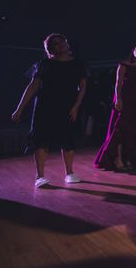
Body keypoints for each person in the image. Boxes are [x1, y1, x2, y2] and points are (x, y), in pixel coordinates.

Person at [12, 34, 88, 187]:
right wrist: (19, 108)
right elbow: (33, 86)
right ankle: (39, 176)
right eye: (55, 43)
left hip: (68, 106)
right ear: (50, 49)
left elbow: (82, 86)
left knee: (68, 139)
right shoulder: (44, 64)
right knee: (41, 139)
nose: (60, 44)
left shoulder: (78, 64)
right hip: (45, 106)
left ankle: (69, 173)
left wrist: (76, 106)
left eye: (62, 41)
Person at [94, 44, 136, 170]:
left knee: (131, 130)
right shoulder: (124, 65)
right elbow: (118, 82)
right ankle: (117, 159)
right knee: (118, 129)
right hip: (124, 99)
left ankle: (128, 158)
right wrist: (118, 98)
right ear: (133, 51)